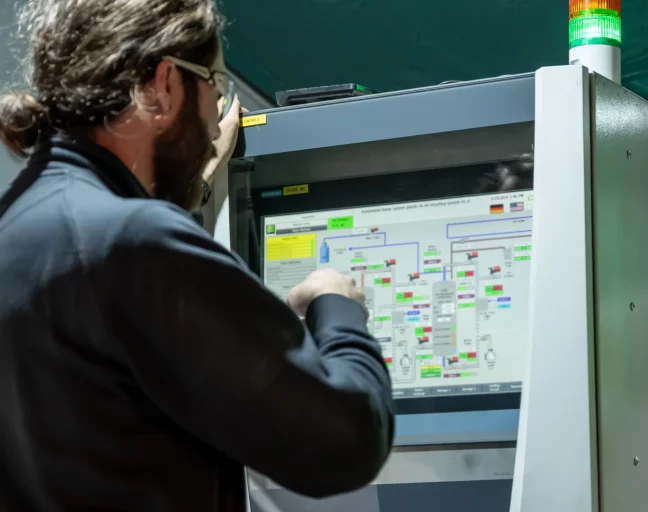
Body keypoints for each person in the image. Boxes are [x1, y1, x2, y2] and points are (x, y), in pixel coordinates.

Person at [0, 1, 394, 511]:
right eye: (216, 86)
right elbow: (347, 443)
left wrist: (195, 184)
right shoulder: (135, 245)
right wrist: (337, 307)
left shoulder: (22, 224)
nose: (214, 123)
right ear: (164, 85)